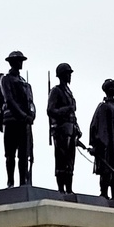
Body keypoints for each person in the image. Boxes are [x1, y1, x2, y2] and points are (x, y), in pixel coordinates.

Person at [0, 51, 36, 186]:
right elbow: (9, 99)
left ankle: (23, 182)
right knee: (10, 154)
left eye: (21, 60)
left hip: (24, 123)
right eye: (18, 60)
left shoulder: (25, 83)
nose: (20, 63)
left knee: (24, 155)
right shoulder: (6, 79)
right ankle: (10, 181)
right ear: (12, 62)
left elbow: (31, 102)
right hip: (12, 120)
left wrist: (32, 115)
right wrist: (23, 115)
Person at [88, 79, 114, 199]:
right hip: (107, 146)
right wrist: (97, 144)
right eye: (113, 87)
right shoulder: (103, 107)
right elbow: (95, 126)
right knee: (106, 170)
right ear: (108, 90)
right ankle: (104, 193)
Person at [47, 63, 81, 194]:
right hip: (61, 130)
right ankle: (61, 188)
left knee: (70, 160)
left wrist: (77, 127)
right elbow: (51, 110)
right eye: (67, 74)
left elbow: (73, 114)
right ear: (62, 75)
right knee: (61, 160)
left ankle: (69, 188)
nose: (69, 76)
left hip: (71, 129)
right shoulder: (56, 91)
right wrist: (67, 109)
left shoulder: (68, 92)